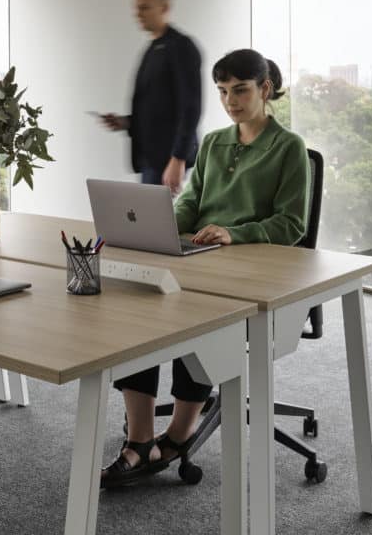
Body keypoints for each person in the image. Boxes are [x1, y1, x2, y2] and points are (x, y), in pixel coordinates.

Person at [101, 48, 311, 488]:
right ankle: (138, 439)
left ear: (265, 89)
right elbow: (192, 203)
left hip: (251, 269)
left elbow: (292, 224)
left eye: (240, 90)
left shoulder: (288, 148)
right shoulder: (215, 142)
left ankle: (179, 434)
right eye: (222, 91)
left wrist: (236, 233)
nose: (230, 100)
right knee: (137, 310)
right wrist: (158, 226)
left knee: (192, 318)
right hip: (202, 258)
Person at [101, 0, 202, 195]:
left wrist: (178, 158)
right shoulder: (152, 48)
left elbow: (191, 107)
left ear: (164, 8)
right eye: (136, 7)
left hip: (168, 160)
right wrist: (125, 122)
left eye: (144, 7)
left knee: (157, 226)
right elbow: (155, 107)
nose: (138, 13)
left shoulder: (182, 47)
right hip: (150, 158)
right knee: (147, 224)